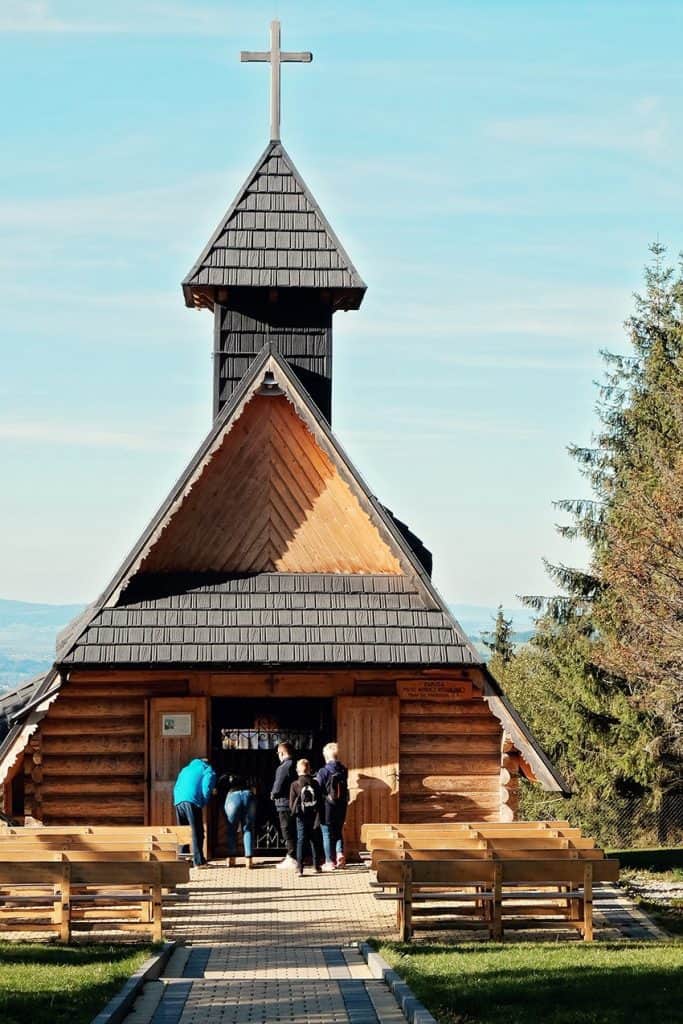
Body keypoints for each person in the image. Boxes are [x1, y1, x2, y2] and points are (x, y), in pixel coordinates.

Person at [173, 757, 216, 868]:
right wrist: (203, 802)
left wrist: (177, 800)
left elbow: (176, 786)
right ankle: (199, 862)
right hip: (192, 800)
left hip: (178, 801)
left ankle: (183, 861)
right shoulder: (207, 769)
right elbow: (207, 787)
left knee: (183, 831)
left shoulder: (185, 769)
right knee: (197, 831)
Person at [315, 741, 349, 871]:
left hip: (327, 806)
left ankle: (329, 861)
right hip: (341, 805)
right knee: (338, 831)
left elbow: (318, 788)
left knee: (327, 833)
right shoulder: (344, 770)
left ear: (326, 756)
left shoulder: (323, 771)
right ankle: (340, 854)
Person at [289, 758, 324, 876]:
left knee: (301, 840)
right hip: (314, 816)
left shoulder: (295, 784)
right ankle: (316, 865)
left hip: (301, 816)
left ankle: (299, 867)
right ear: (310, 769)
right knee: (314, 840)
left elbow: (291, 803)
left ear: (297, 770)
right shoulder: (315, 783)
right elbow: (320, 801)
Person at [270, 741, 297, 869]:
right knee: (295, 829)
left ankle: (292, 857)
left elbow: (278, 785)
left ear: (282, 753)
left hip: (284, 803)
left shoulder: (283, 767)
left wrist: (273, 794)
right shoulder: (296, 764)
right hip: (295, 802)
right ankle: (295, 855)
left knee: (286, 830)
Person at [223, 774, 256, 869]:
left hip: (233, 795)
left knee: (231, 829)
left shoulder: (226, 775)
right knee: (247, 828)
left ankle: (231, 858)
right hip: (248, 795)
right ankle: (248, 859)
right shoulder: (248, 773)